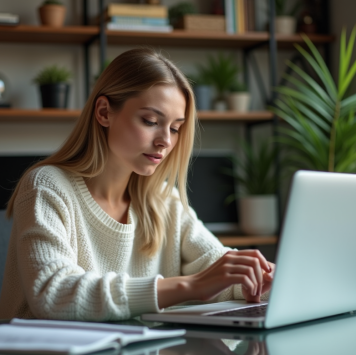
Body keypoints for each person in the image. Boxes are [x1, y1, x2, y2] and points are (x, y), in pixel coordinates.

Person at [0, 49, 274, 321]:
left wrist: (262, 279)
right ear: (104, 112)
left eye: (175, 128)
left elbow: (214, 266)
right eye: (151, 121)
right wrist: (190, 286)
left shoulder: (164, 199)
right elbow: (54, 295)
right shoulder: (47, 187)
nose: (165, 140)